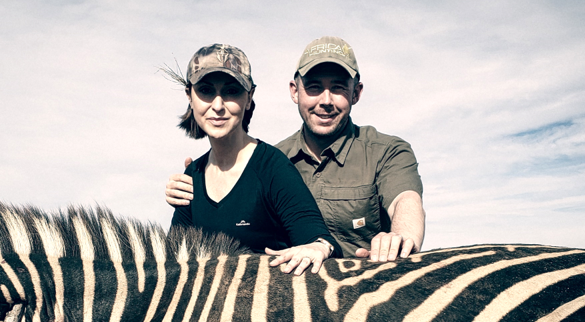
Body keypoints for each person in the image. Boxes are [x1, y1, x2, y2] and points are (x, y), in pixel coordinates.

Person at [165, 36, 425, 261]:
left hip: (370, 288)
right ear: (294, 91)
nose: (325, 100)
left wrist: (400, 238)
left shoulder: (386, 151)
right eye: (313, 87)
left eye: (337, 87)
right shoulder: (273, 158)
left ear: (356, 93)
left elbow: (406, 200)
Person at [168, 44, 339, 276]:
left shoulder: (272, 167)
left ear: (249, 98)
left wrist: (319, 246)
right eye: (206, 91)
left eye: (231, 91)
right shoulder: (192, 176)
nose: (217, 106)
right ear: (190, 97)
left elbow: (319, 240)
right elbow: (174, 263)